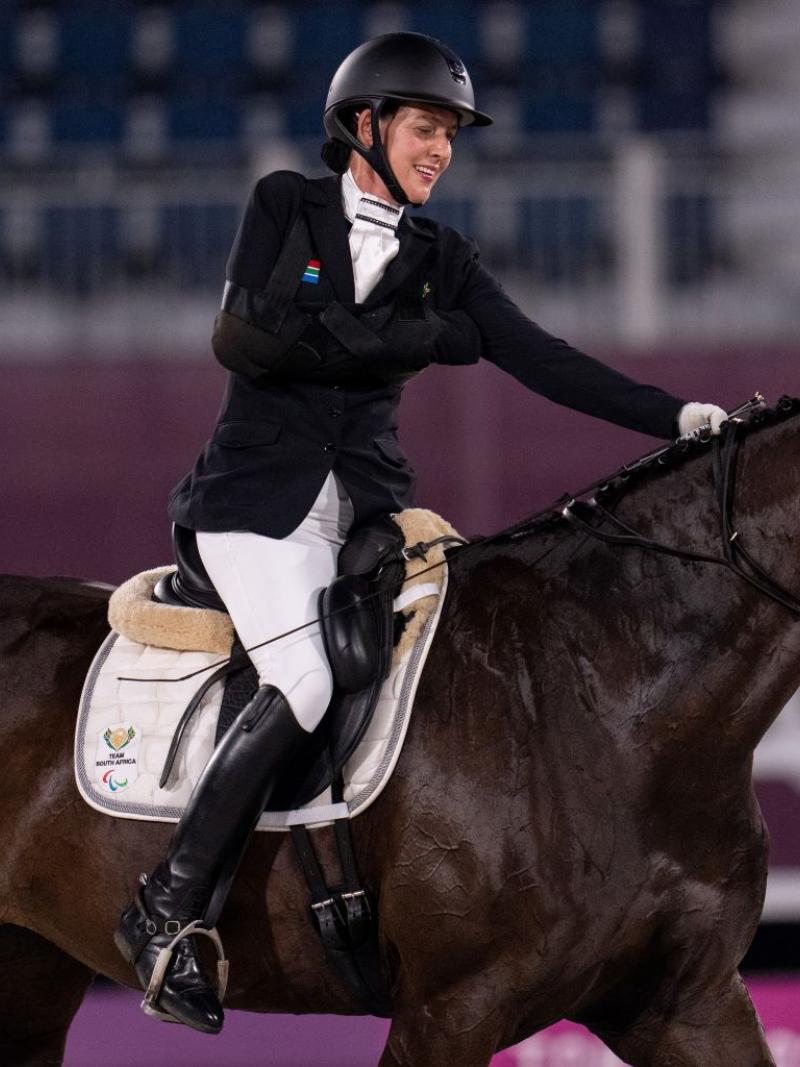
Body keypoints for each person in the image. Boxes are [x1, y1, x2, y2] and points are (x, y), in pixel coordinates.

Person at [114, 31, 727, 1034]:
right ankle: (169, 907)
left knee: (439, 660)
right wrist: (422, 338)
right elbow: (246, 339)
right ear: (364, 126)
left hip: (362, 511)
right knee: (304, 677)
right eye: (424, 127)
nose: (440, 149)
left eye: (449, 134)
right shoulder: (286, 205)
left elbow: (539, 355)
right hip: (252, 504)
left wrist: (676, 419)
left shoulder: (442, 255)